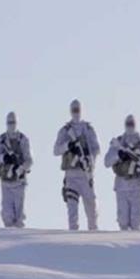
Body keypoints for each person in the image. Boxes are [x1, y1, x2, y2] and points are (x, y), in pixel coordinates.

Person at [53, 99, 101, 231]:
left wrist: (89, 160)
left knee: (91, 210)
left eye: (77, 110)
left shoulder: (88, 129)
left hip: (85, 174)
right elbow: (56, 150)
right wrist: (68, 146)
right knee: (72, 211)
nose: (76, 113)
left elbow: (97, 149)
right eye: (74, 110)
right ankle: (73, 238)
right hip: (71, 175)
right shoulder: (65, 130)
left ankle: (94, 236)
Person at [104, 115, 140, 231]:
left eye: (132, 124)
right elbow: (107, 162)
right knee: (122, 221)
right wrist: (118, 155)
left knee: (136, 221)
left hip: (137, 186)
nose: (130, 126)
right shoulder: (118, 142)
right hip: (121, 185)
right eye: (128, 124)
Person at [0, 111, 33, 228]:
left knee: (19, 217)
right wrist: (3, 158)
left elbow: (29, 161)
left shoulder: (23, 139)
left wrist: (20, 169)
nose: (11, 125)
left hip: (19, 182)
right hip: (6, 183)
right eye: (9, 122)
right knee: (7, 216)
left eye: (13, 122)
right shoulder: (1, 140)